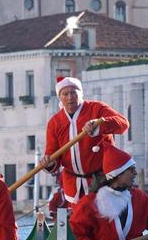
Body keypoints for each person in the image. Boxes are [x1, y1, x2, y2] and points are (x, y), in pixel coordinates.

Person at [41, 76, 129, 209]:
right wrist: (49, 163)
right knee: (81, 223)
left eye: (73, 93)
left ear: (80, 94)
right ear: (60, 97)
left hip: (103, 180)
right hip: (74, 185)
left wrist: (99, 124)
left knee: (105, 221)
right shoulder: (54, 123)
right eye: (65, 94)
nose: (70, 97)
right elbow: (52, 154)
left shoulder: (97, 108)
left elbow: (123, 124)